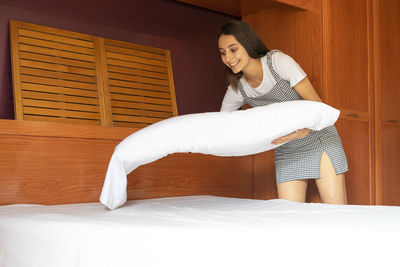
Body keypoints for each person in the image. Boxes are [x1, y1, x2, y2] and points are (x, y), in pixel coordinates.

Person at [218, 20, 348, 204]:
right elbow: (221, 122)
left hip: (319, 139)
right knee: (289, 216)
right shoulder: (238, 88)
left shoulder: (277, 63)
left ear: (247, 43)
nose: (228, 58)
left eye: (233, 49)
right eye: (222, 53)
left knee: (336, 213)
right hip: (287, 149)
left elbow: (318, 106)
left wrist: (306, 129)